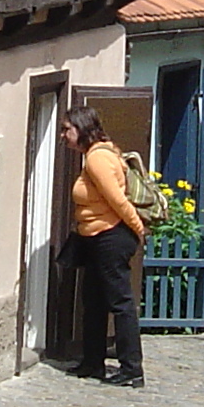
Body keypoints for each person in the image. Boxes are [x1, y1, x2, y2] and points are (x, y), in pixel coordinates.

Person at [62, 105, 147, 388]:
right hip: (95, 237)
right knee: (94, 301)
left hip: (110, 237)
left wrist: (137, 228)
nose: (64, 135)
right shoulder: (95, 155)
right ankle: (92, 362)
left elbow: (118, 201)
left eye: (67, 130)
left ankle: (131, 368)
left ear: (82, 130)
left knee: (120, 302)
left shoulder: (98, 159)